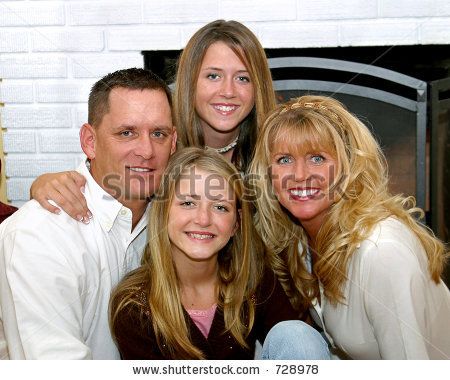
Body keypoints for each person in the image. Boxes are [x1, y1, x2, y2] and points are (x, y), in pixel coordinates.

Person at [249, 95, 450, 359]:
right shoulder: (299, 242)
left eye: (317, 158)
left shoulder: (382, 253)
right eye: (284, 160)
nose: (299, 175)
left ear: (349, 167)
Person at [0, 68, 177, 359]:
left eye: (158, 133)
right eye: (127, 133)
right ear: (90, 142)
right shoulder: (38, 234)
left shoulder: (176, 223)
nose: (146, 150)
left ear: (173, 143)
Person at [28, 19, 276, 221]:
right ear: (190, 82)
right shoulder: (158, 147)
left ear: (259, 87)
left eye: (243, 78)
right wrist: (44, 183)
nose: (228, 91)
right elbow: (104, 180)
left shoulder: (274, 152)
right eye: (213, 76)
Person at [109, 147, 328, 359]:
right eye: (187, 203)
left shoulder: (254, 280)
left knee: (299, 336)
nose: (203, 219)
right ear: (162, 213)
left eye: (220, 207)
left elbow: (298, 349)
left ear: (236, 224)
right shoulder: (134, 304)